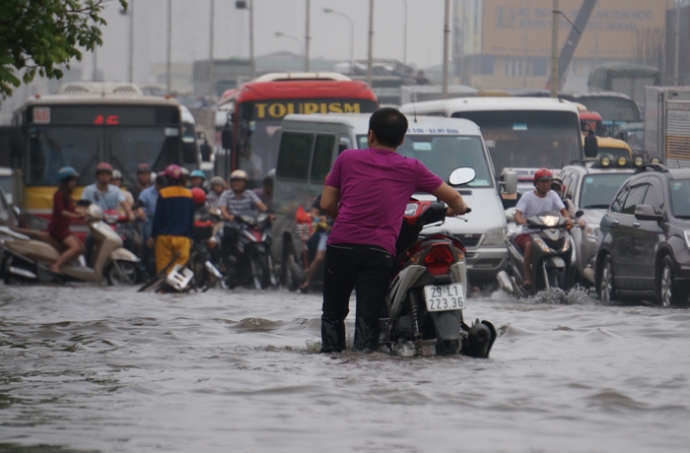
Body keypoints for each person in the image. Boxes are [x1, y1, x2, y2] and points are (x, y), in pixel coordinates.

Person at [319, 107, 469, 353]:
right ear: (401, 140)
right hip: (378, 252)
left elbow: (326, 203)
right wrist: (459, 209)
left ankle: (332, 363)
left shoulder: (346, 159)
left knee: (333, 313)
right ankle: (364, 363)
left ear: (370, 136)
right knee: (368, 319)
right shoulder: (412, 167)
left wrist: (348, 220)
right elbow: (455, 199)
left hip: (340, 246)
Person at [513, 168, 572, 289]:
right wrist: (521, 220)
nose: (546, 184)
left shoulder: (553, 195)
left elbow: (564, 211)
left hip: (547, 233)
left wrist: (568, 219)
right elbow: (517, 214)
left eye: (549, 181)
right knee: (529, 246)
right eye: (543, 181)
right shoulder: (527, 197)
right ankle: (528, 277)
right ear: (536, 183)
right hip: (529, 233)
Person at [81, 162, 134, 263]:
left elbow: (125, 205)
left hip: (113, 225)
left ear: (110, 176)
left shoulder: (116, 190)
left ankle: (129, 263)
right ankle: (87, 266)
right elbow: (82, 206)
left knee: (130, 239)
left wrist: (130, 214)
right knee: (89, 240)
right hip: (96, 225)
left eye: (108, 174)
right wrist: (83, 212)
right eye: (102, 174)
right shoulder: (88, 190)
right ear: (97, 176)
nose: (105, 177)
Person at [219, 169, 268, 273]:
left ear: (245, 183)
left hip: (248, 225)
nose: (236, 183)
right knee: (227, 237)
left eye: (239, 181)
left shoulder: (250, 194)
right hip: (232, 225)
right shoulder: (226, 194)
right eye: (234, 181)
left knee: (266, 237)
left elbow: (260, 205)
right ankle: (225, 263)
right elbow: (223, 209)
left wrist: (268, 213)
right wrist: (228, 216)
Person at [152, 165, 194, 273]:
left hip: (164, 237)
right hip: (183, 238)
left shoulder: (163, 193)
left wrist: (153, 236)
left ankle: (164, 289)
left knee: (164, 268)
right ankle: (178, 288)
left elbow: (158, 217)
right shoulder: (188, 194)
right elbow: (190, 218)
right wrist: (190, 236)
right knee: (180, 270)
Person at [48, 167, 86, 273]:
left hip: (64, 227)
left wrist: (85, 213)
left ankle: (67, 264)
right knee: (75, 248)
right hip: (58, 228)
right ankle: (56, 266)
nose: (74, 183)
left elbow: (73, 208)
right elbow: (61, 211)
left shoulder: (67, 195)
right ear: (66, 181)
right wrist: (75, 216)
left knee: (82, 248)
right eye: (72, 180)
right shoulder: (58, 194)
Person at [139, 175, 166, 276]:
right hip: (150, 221)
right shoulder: (146, 193)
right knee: (148, 237)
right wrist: (141, 213)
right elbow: (139, 206)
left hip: (167, 222)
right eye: (160, 186)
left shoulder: (168, 193)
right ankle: (144, 265)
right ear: (156, 184)